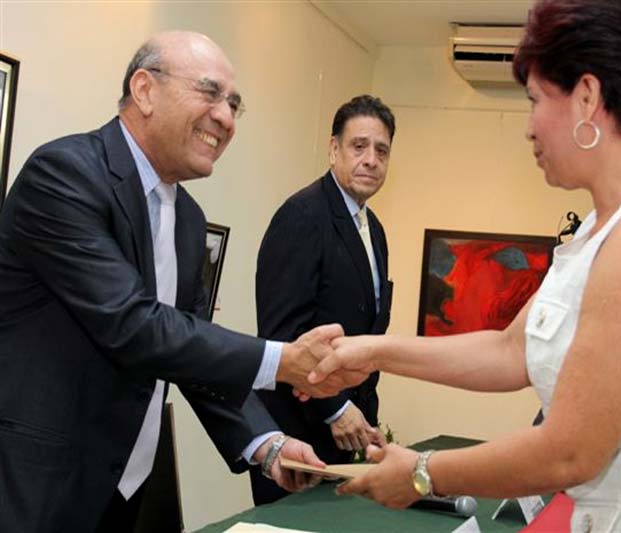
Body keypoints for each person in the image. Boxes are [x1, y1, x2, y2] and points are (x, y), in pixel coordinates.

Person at [309, 1, 621, 530]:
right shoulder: (603, 226)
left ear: (586, 97)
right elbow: (511, 350)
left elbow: (570, 452)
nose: (529, 128)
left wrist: (422, 473)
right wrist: (373, 351)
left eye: (535, 100)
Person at [0, 32, 361, 533]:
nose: (226, 118)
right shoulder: (64, 176)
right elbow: (135, 326)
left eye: (234, 104)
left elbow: (189, 350)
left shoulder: (188, 218)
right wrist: (283, 361)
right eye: (210, 93)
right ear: (144, 90)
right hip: (36, 489)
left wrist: (266, 443)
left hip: (123, 490)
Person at [251, 95, 395, 505]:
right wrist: (336, 409)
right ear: (334, 150)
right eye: (359, 146)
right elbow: (282, 334)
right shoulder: (302, 214)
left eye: (381, 150)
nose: (370, 160)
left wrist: (363, 420)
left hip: (349, 437)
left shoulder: (374, 229)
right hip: (297, 436)